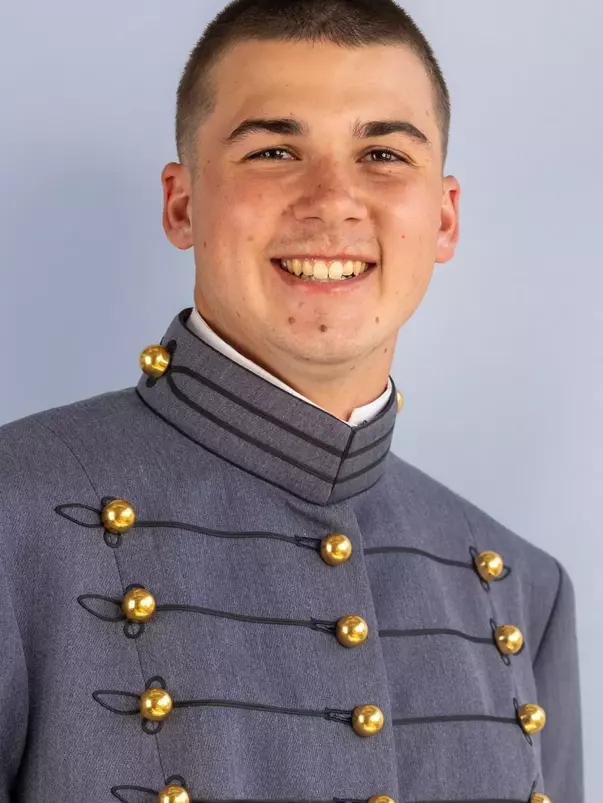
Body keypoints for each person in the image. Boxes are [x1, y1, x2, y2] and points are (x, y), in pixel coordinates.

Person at [0, 1, 583, 801]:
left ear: (443, 218)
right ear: (182, 204)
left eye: (382, 153)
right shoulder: (15, 512)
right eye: (274, 150)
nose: (332, 200)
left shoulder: (521, 586)